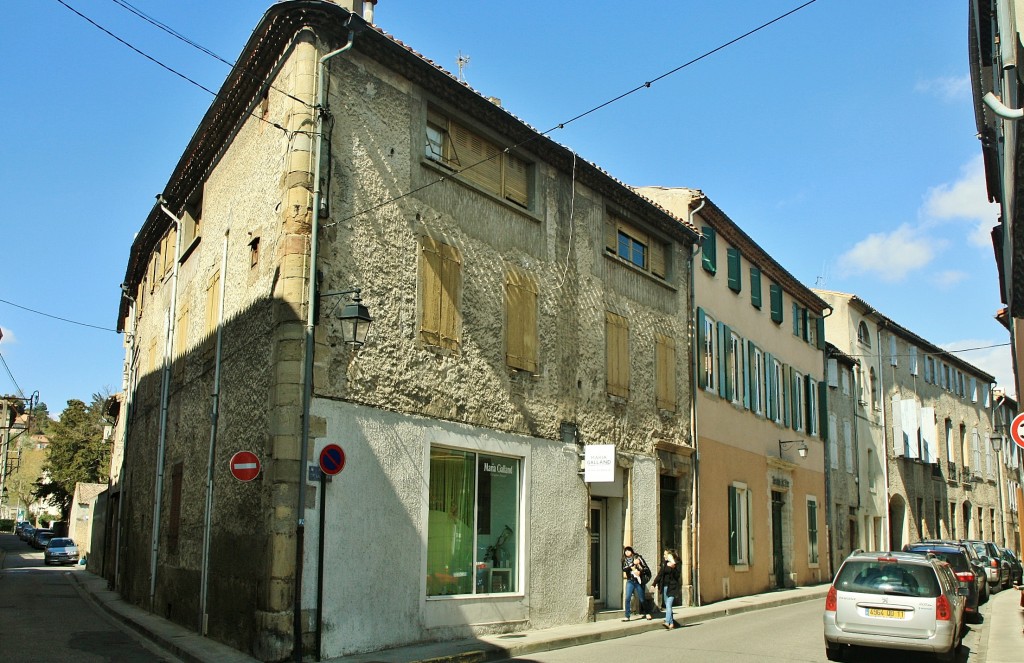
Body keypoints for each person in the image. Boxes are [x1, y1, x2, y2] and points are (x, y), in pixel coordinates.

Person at [652, 548, 683, 629]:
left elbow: (677, 576)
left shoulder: (677, 563)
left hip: (673, 587)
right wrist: (653, 584)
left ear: (670, 555)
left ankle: (667, 621)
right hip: (665, 586)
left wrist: (673, 567)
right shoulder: (664, 563)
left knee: (669, 604)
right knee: (667, 605)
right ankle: (671, 623)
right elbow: (660, 574)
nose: (664, 556)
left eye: (665, 554)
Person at [621, 546, 652, 621]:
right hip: (630, 580)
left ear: (632, 551)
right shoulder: (624, 560)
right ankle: (627, 616)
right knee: (627, 598)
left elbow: (645, 567)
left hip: (638, 580)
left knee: (642, 599)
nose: (627, 552)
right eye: (625, 551)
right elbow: (624, 569)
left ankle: (647, 613)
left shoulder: (638, 557)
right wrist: (632, 564)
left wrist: (640, 572)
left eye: (628, 550)